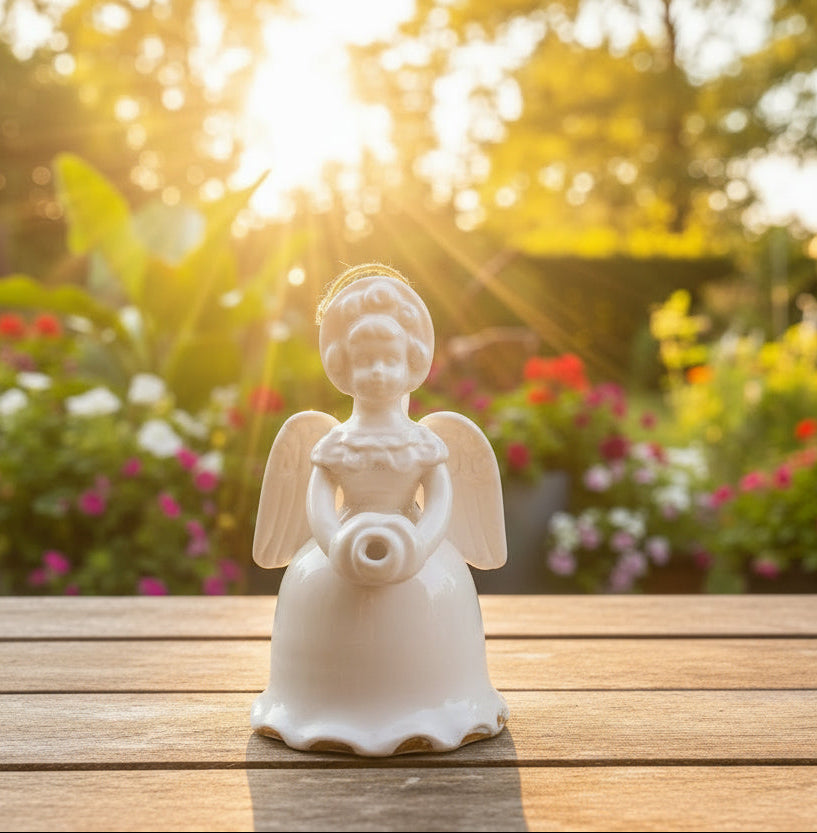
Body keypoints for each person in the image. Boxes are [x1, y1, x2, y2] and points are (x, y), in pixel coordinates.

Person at [251, 264, 508, 756]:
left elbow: (440, 502)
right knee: (314, 590)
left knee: (435, 601)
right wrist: (334, 545)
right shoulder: (330, 443)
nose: (377, 371)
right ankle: (314, 703)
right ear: (342, 365)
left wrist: (420, 547)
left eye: (388, 360)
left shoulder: (426, 442)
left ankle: (445, 705)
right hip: (338, 551)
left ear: (411, 362)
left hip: (419, 551)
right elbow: (318, 500)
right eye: (364, 360)